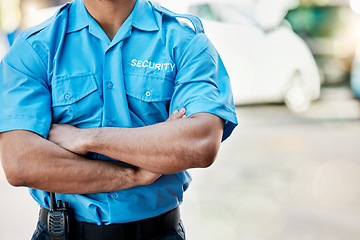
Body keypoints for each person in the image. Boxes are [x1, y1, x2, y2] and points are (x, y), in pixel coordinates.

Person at [0, 0, 238, 239]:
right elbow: (20, 162)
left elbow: (200, 144)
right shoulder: (35, 47)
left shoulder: (185, 42)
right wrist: (133, 175)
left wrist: (86, 139)